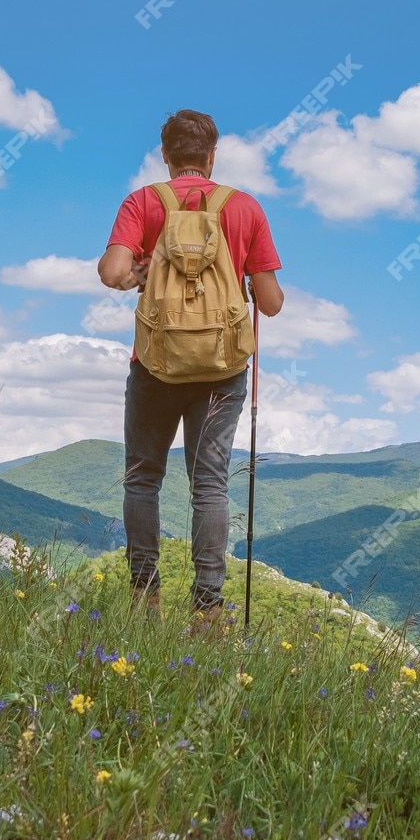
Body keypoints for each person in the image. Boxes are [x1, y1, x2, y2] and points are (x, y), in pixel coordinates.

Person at [97, 109, 285, 628]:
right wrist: (246, 281)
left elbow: (112, 271)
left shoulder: (144, 201)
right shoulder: (244, 207)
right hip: (222, 370)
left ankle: (144, 598)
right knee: (209, 485)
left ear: (165, 154)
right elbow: (269, 303)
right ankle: (206, 610)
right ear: (212, 154)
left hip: (155, 364)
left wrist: (140, 270)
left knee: (142, 478)